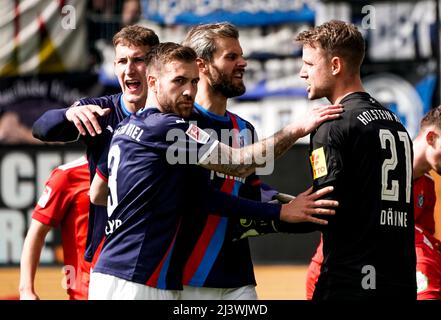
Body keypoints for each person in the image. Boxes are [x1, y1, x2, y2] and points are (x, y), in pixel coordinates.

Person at [88, 42, 340, 299]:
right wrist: (299, 127)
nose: (189, 91)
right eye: (179, 81)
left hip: (111, 270)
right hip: (138, 277)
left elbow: (96, 194)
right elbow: (239, 163)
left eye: (194, 82)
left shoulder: (126, 126)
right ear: (152, 83)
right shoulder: (169, 128)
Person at [179, 22, 331, 300]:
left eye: (241, 55)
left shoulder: (244, 129)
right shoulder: (181, 124)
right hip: (187, 280)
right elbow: (203, 197)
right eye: (231, 57)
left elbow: (250, 190)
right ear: (201, 65)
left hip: (237, 279)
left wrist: (303, 207)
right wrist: (297, 128)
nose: (243, 63)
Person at [296, 20, 416, 300]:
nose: (302, 73)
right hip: (400, 281)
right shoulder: (397, 123)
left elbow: (324, 207)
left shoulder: (331, 124)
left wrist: (266, 214)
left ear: (335, 65)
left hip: (350, 281)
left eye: (309, 64)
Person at [32, 25, 160, 266]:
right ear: (114, 67)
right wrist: (68, 114)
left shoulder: (172, 116)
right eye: (122, 61)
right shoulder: (100, 111)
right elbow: (42, 128)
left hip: (161, 251)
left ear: (156, 66)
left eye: (139, 60)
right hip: (108, 251)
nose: (129, 69)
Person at [306, 106, 441, 300]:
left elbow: (422, 246)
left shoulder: (427, 186)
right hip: (336, 276)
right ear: (431, 138)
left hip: (380, 281)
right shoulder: (371, 166)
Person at [19, 157, 90, 300]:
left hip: (131, 285)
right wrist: (26, 290)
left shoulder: (137, 171)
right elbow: (36, 233)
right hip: (84, 293)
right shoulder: (67, 175)